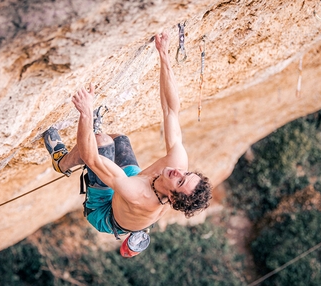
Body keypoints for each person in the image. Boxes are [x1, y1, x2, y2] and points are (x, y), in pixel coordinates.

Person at [43, 30, 212, 256]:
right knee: (120, 139)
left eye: (180, 182)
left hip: (105, 213)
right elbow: (171, 111)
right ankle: (135, 227)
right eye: (186, 174)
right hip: (131, 186)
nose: (177, 172)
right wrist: (164, 55)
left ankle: (61, 162)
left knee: (100, 143)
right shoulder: (177, 165)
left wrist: (86, 113)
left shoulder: (138, 194)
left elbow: (92, 158)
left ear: (171, 198)